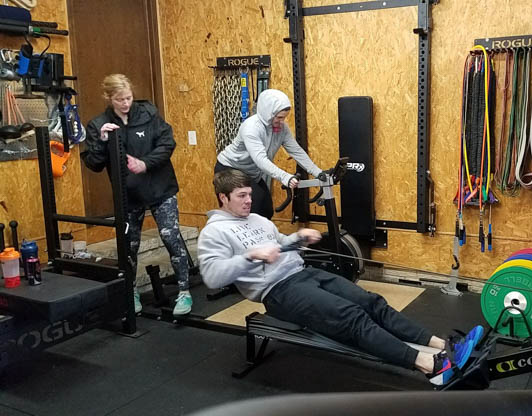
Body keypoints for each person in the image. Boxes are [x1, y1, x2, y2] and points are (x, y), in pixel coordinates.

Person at [197, 169, 482, 385]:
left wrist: (298, 238)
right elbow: (212, 276)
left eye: (250, 194)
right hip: (277, 292)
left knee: (372, 302)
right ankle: (429, 366)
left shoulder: (258, 220)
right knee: (350, 317)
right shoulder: (215, 231)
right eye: (241, 196)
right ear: (223, 197)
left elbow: (279, 243)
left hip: (303, 273)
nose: (249, 201)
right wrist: (250, 256)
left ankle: (440, 344)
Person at [81, 74, 192, 316]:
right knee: (129, 246)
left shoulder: (148, 114)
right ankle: (131, 291)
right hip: (128, 194)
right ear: (108, 98)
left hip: (160, 187)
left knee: (171, 237)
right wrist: (102, 141)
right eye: (119, 99)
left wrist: (145, 163)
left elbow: (167, 144)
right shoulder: (99, 124)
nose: (125, 103)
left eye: (128, 98)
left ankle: (184, 291)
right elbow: (93, 164)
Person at [214, 89, 323, 220]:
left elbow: (296, 151)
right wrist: (285, 177)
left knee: (266, 209)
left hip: (251, 173)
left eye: (284, 117)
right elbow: (260, 159)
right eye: (279, 117)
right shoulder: (251, 127)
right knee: (252, 208)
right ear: (268, 113)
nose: (282, 121)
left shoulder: (281, 128)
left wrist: (318, 172)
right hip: (229, 169)